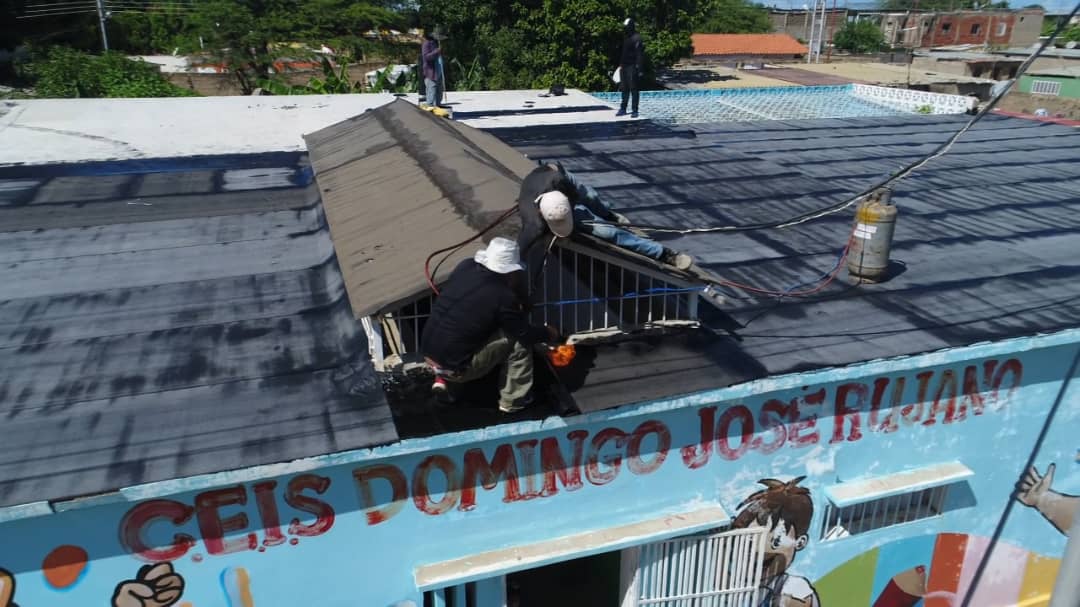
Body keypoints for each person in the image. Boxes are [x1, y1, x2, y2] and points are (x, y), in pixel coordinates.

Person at [421, 237, 560, 413]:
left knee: (467, 329)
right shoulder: (503, 297)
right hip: (457, 369)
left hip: (428, 354)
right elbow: (525, 333)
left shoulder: (466, 267)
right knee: (517, 343)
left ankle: (443, 382)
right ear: (510, 272)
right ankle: (513, 401)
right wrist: (550, 333)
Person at [516, 163, 693, 270]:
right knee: (608, 233)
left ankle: (610, 215)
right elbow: (518, 254)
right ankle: (664, 254)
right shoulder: (532, 222)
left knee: (591, 198)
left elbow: (578, 198)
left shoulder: (560, 181)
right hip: (551, 195)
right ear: (541, 214)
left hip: (558, 178)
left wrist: (583, 211)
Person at [617, 18, 644, 117]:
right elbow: (623, 52)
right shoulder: (626, 37)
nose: (625, 28)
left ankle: (635, 110)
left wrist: (639, 68)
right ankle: (623, 108)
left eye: (626, 27)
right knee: (624, 88)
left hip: (632, 66)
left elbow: (639, 54)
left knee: (634, 88)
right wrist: (620, 64)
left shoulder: (637, 38)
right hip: (624, 66)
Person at [421, 30, 445, 108]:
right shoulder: (427, 44)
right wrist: (437, 51)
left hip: (439, 71)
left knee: (439, 90)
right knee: (431, 90)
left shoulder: (437, 43)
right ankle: (430, 107)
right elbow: (426, 57)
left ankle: (438, 106)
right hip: (431, 72)